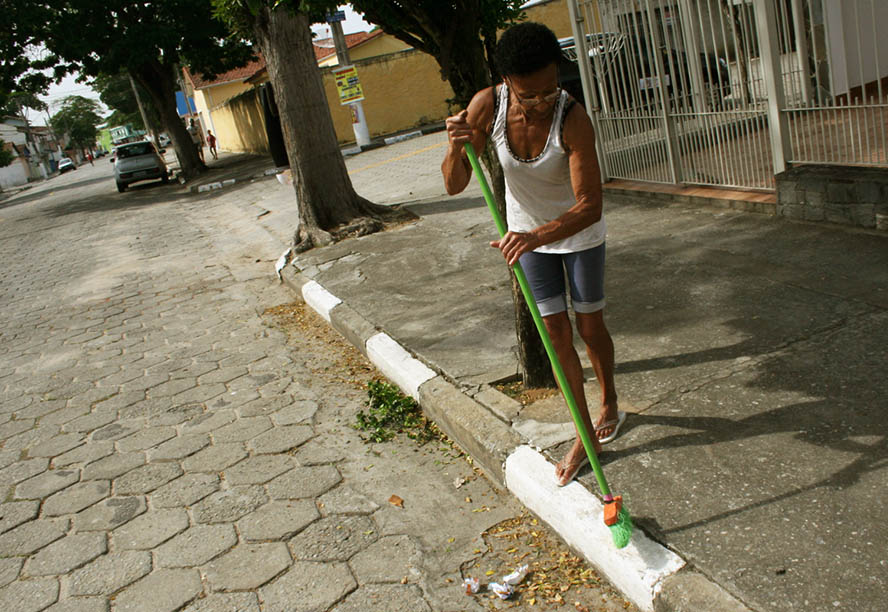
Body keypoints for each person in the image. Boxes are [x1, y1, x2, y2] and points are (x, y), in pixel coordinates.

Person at [441, 22, 625, 487]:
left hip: (577, 234)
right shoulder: (488, 105)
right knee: (556, 334)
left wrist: (537, 234)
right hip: (527, 237)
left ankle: (609, 400)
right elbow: (454, 183)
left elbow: (590, 205)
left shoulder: (573, 117)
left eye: (550, 90)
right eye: (531, 96)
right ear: (507, 84)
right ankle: (584, 432)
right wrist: (455, 147)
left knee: (589, 325)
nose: (543, 102)